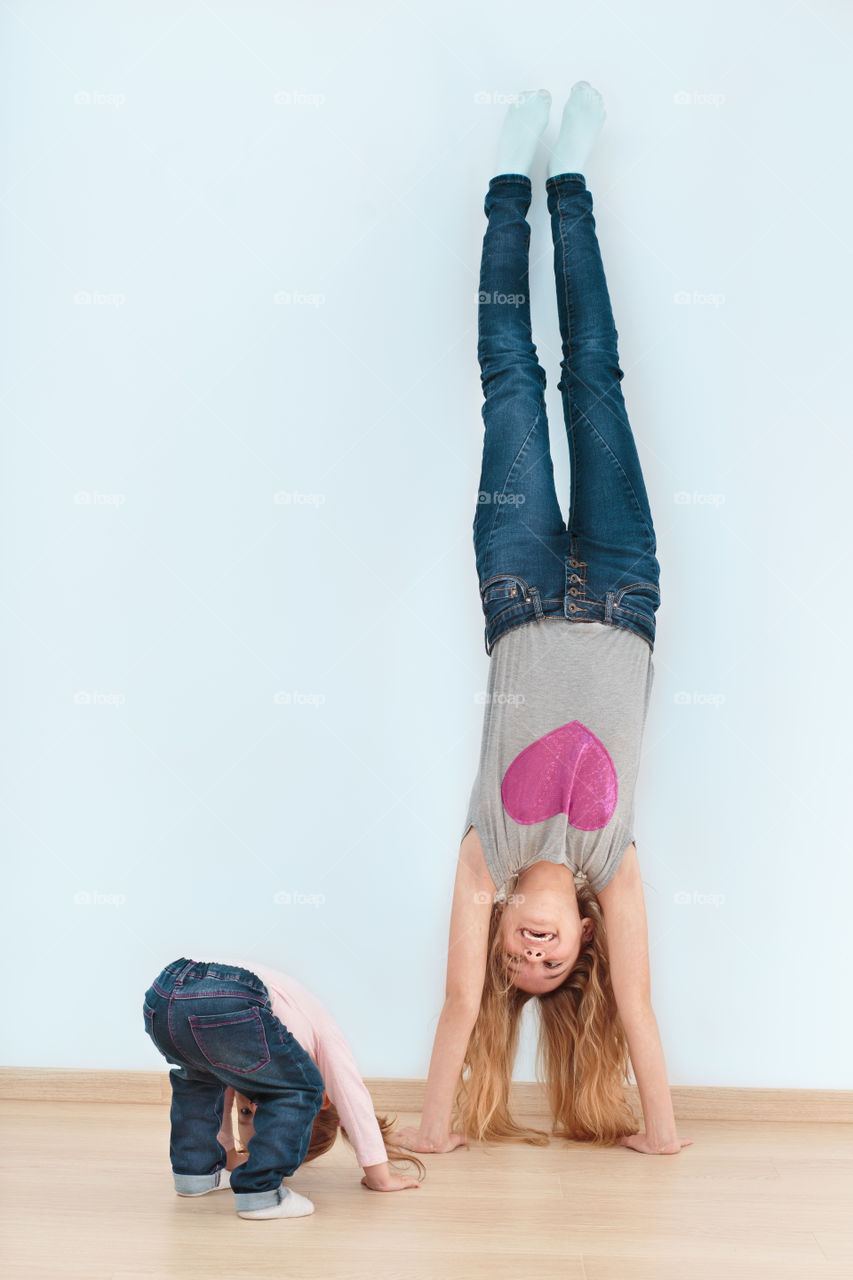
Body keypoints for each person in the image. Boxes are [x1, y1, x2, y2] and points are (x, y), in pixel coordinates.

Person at [393, 84, 693, 1157]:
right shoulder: (612, 863)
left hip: (515, 588)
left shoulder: (487, 853)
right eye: (548, 966)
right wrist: (659, 1132)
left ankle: (502, 188)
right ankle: (568, 183)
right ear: (580, 942)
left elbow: (454, 1009)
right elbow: (643, 1015)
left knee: (511, 382)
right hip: (624, 587)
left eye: (515, 961)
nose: (528, 960)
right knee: (595, 380)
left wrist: (433, 1128)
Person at [142, 956, 423, 1219]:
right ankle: (261, 1194)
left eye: (246, 1114)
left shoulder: (241, 1045)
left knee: (199, 1080)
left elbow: (218, 1096)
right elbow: (351, 1095)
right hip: (225, 995)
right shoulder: (322, 1033)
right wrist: (378, 1175)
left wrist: (224, 1157)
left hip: (165, 993)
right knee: (301, 1089)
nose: (251, 1105)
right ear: (325, 1101)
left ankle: (196, 1174)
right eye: (266, 1109)